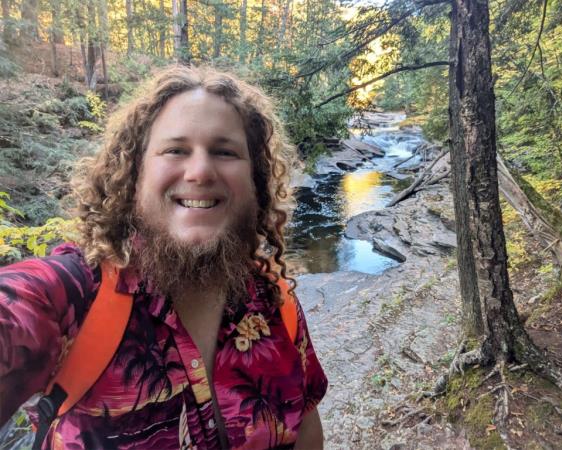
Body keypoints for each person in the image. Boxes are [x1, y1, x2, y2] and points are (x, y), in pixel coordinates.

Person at [0, 66, 328, 450]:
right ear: (136, 173)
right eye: (175, 150)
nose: (201, 171)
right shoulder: (72, 295)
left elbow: (306, 427)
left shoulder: (277, 303)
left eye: (224, 152)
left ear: (255, 180)